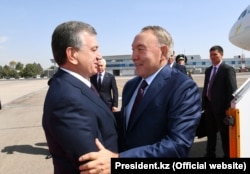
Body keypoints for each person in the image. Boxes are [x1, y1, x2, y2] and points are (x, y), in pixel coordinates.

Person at [78, 25, 201, 173]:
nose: (133, 56)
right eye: (133, 49)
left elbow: (178, 146)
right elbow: (128, 123)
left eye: (140, 49)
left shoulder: (183, 88)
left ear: (162, 52)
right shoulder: (132, 85)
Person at [42, 21, 118, 174]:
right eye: (93, 49)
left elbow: (102, 119)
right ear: (72, 55)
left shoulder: (78, 86)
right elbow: (95, 165)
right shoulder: (67, 99)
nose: (99, 56)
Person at [202, 45, 237, 158]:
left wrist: (229, 109)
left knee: (224, 134)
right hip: (209, 107)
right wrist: (204, 105)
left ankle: (227, 155)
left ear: (222, 55)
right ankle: (210, 154)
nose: (212, 57)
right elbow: (207, 87)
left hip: (222, 109)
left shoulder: (227, 69)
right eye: (211, 54)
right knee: (210, 133)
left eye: (215, 54)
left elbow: (232, 90)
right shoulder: (208, 70)